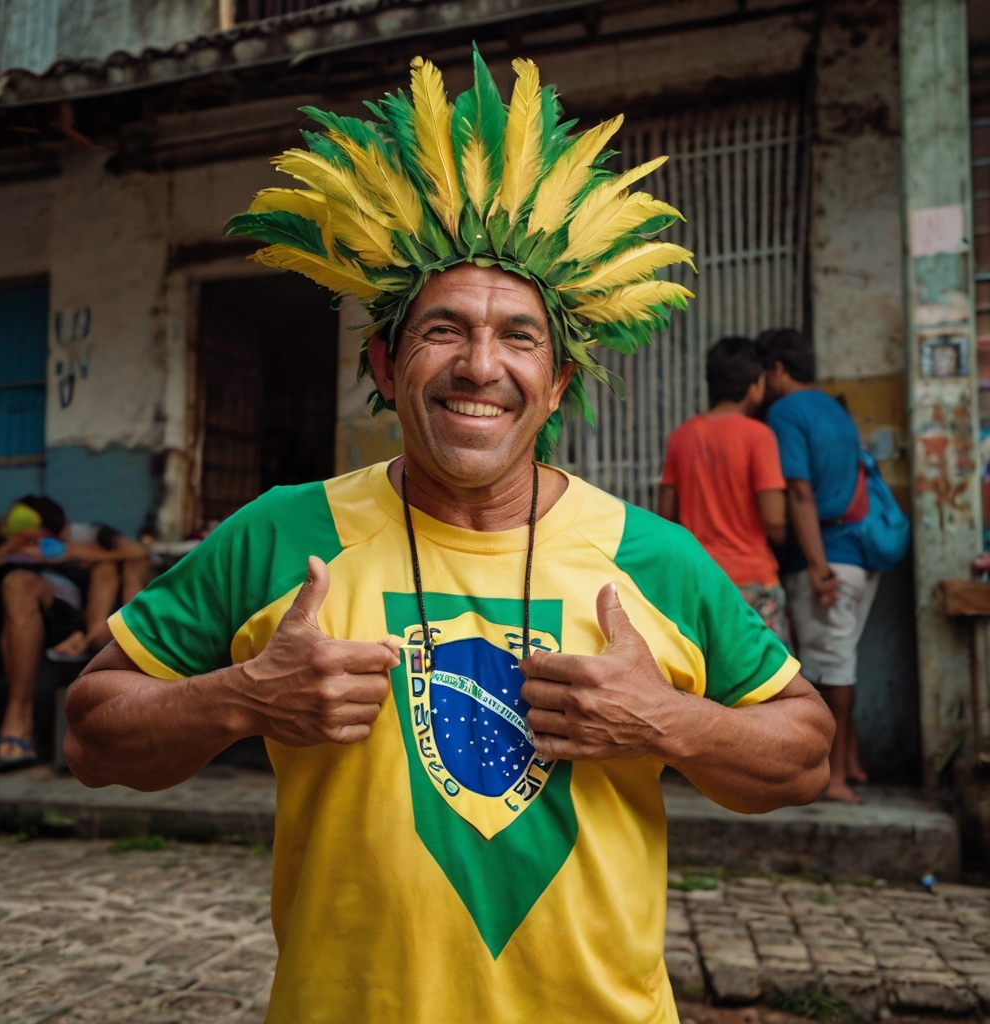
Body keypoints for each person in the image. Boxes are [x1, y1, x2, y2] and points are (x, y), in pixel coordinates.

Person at [65, 49, 834, 1024]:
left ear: (557, 383)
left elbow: (805, 753)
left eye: (518, 335)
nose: (480, 365)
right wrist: (241, 697)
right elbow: (90, 731)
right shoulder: (283, 532)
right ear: (385, 363)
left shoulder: (653, 556)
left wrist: (664, 722)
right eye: (442, 331)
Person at [759, 327, 877, 803]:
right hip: (860, 553)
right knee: (841, 659)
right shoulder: (835, 408)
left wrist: (817, 566)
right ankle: (850, 763)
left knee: (829, 669)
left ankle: (834, 779)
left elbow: (800, 492)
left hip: (829, 555)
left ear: (778, 371)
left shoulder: (786, 410)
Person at [0, 495, 149, 771]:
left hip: (61, 614)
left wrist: (71, 553)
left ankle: (19, 721)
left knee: (19, 584)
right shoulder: (9, 545)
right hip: (7, 614)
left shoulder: (87, 536)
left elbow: (137, 553)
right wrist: (10, 549)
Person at [658, 337, 789, 641]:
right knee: (765, 679)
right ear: (754, 385)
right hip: (753, 580)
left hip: (698, 581)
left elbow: (666, 516)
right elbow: (775, 519)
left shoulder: (682, 436)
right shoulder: (759, 436)